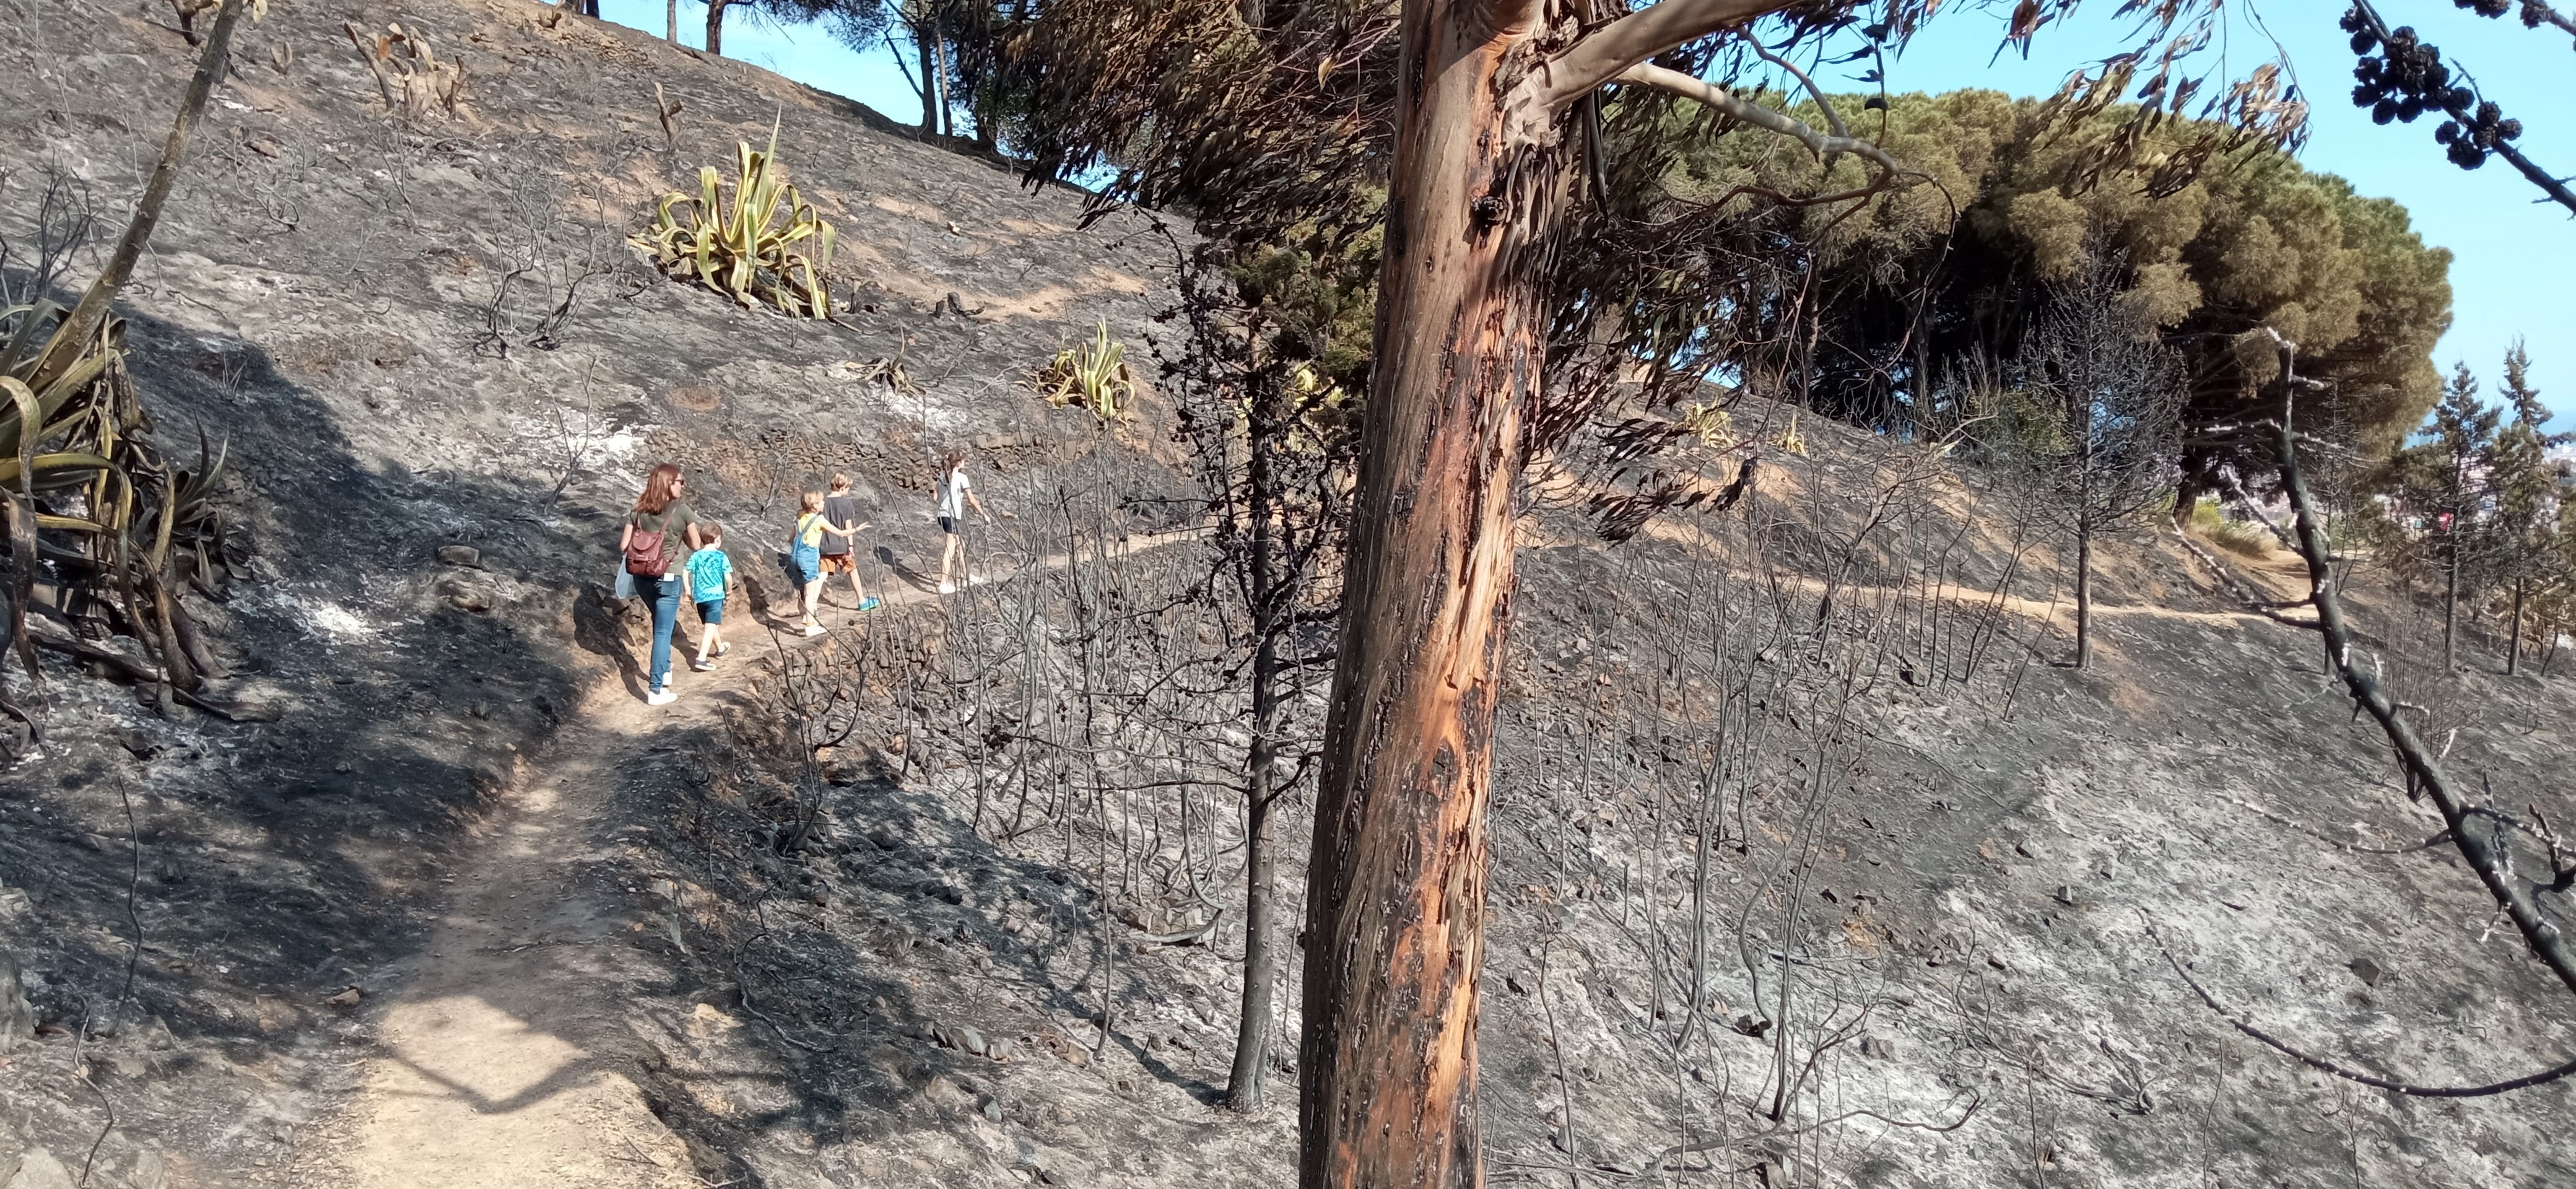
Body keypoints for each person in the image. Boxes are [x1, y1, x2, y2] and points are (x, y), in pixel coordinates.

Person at [619, 463, 702, 705]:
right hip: (668, 577)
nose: (683, 487)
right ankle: (655, 690)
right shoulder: (682, 511)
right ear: (669, 483)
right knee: (663, 632)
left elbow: (624, 546)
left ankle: (665, 674)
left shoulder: (638, 511)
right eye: (681, 482)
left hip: (641, 577)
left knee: (660, 623)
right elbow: (696, 545)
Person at [786, 490, 854, 637]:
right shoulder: (819, 520)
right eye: (822, 502)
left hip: (797, 557)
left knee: (804, 591)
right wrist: (857, 529)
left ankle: (808, 617)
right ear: (815, 505)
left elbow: (791, 539)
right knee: (810, 594)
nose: (824, 503)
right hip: (810, 558)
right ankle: (810, 625)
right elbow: (841, 533)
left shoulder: (799, 518)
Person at [817, 474, 881, 612]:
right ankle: (862, 601)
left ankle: (812, 603)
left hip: (825, 545)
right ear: (843, 488)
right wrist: (850, 547)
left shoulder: (822, 502)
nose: (848, 491)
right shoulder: (846, 503)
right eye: (848, 488)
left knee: (823, 574)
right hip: (841, 545)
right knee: (852, 571)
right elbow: (848, 526)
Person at [935, 447, 994, 594]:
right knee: (950, 548)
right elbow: (972, 500)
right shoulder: (962, 478)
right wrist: (984, 514)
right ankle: (943, 583)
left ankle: (967, 575)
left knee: (960, 546)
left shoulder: (942, 477)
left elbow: (935, 496)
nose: (965, 462)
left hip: (942, 515)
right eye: (963, 460)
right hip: (952, 516)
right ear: (958, 463)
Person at [682, 522, 733, 672]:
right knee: (710, 629)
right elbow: (728, 578)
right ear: (717, 539)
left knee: (711, 626)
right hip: (716, 596)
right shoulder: (721, 556)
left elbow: (685, 572)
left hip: (700, 597)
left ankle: (721, 649)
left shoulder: (696, 556)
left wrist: (688, 590)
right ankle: (701, 659)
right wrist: (729, 592)